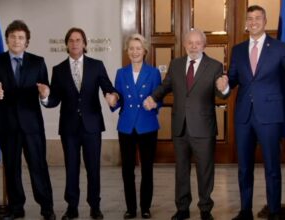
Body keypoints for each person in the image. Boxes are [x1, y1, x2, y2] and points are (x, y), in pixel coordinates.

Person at [220, 5, 285, 220]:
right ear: (246, 23)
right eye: (250, 18)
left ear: (265, 21)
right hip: (244, 115)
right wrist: (225, 85)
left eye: (258, 18)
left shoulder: (280, 48)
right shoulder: (237, 50)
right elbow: (234, 78)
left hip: (270, 114)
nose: (253, 22)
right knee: (244, 167)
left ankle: (274, 211)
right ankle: (245, 211)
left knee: (272, 167)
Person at [143, 28, 229, 220]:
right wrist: (153, 98)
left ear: (204, 45)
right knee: (181, 170)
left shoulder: (214, 66)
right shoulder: (176, 64)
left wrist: (224, 87)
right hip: (180, 127)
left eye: (198, 43)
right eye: (190, 42)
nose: (193, 46)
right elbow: (165, 86)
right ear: (184, 45)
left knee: (205, 170)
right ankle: (182, 208)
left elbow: (221, 92)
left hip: (203, 128)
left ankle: (205, 208)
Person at [38, 27, 118, 220]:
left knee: (93, 168)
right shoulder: (58, 70)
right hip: (69, 128)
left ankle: (95, 206)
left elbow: (109, 88)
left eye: (78, 40)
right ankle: (71, 207)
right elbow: (55, 99)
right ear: (67, 44)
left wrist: (112, 96)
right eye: (71, 40)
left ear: (84, 44)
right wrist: (45, 96)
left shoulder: (96, 65)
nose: (75, 43)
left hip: (92, 126)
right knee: (71, 168)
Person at [0, 20, 55, 220]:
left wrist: (45, 93)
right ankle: (16, 208)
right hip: (7, 125)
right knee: (12, 168)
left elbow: (45, 88)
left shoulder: (38, 62)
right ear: (7, 39)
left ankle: (47, 208)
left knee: (38, 166)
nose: (16, 40)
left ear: (27, 42)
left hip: (32, 125)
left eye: (21, 37)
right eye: (13, 37)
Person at [110, 33, 162, 219]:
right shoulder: (121, 73)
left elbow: (159, 97)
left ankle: (145, 207)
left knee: (147, 168)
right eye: (131, 48)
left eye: (138, 48)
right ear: (127, 51)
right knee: (127, 170)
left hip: (147, 125)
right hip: (126, 126)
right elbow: (118, 100)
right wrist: (112, 100)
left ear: (145, 50)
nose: (134, 51)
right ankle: (131, 208)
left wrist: (155, 103)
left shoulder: (154, 72)